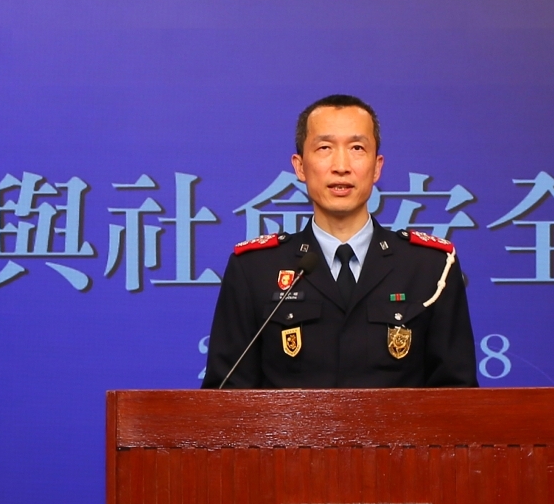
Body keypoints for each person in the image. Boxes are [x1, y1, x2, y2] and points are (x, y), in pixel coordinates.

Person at [202, 94, 478, 389]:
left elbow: (458, 398)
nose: (341, 166)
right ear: (299, 166)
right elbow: (225, 397)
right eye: (325, 148)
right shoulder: (254, 269)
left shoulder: (430, 267)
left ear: (377, 167)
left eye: (357, 148)